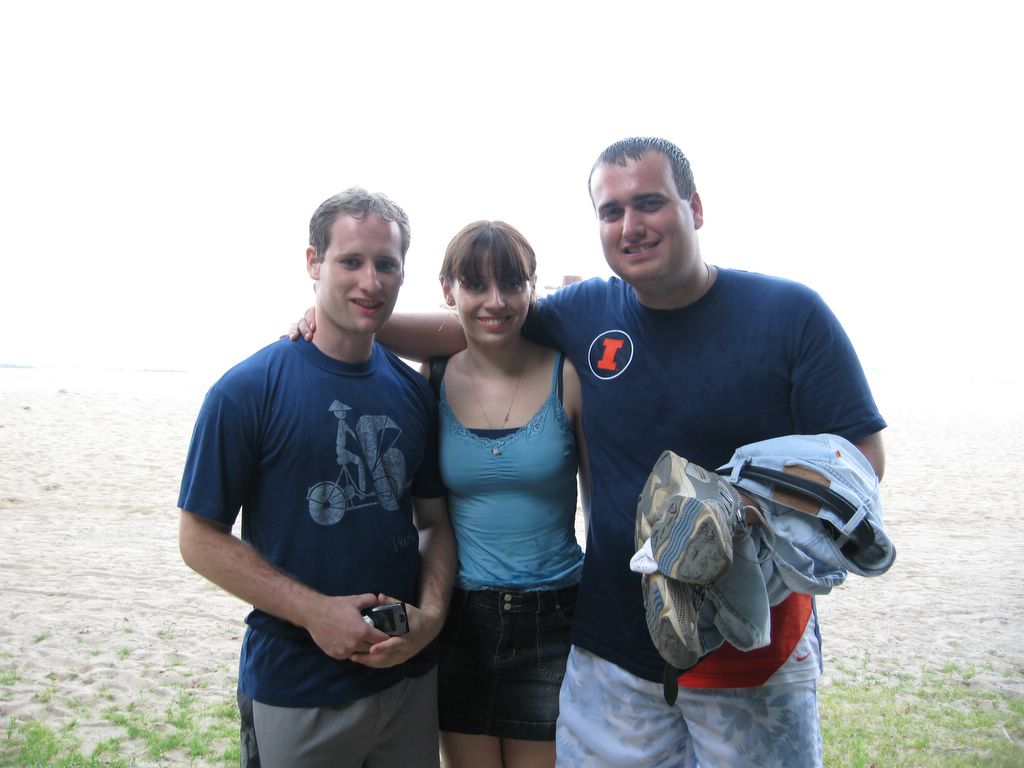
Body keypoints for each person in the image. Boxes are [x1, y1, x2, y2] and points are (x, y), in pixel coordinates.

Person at [295, 137, 886, 767]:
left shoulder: (789, 314)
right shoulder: (585, 312)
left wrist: (750, 518)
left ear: (695, 207)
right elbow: (480, 327)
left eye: (650, 203)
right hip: (612, 650)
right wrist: (345, 318)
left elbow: (860, 459)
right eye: (611, 211)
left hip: (752, 647)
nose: (630, 226)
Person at [179, 187, 455, 768]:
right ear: (313, 262)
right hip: (297, 687)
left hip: (407, 683)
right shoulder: (247, 390)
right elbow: (198, 538)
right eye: (351, 261)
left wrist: (429, 619)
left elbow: (433, 523)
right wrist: (314, 612)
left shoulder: (414, 392)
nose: (370, 282)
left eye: (386, 264)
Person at [427, 221, 587, 768]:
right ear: (448, 289)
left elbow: (601, 504)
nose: (495, 301)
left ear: (532, 287)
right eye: (475, 284)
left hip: (555, 614)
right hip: (461, 619)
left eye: (512, 283)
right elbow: (425, 515)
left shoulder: (566, 376)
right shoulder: (432, 378)